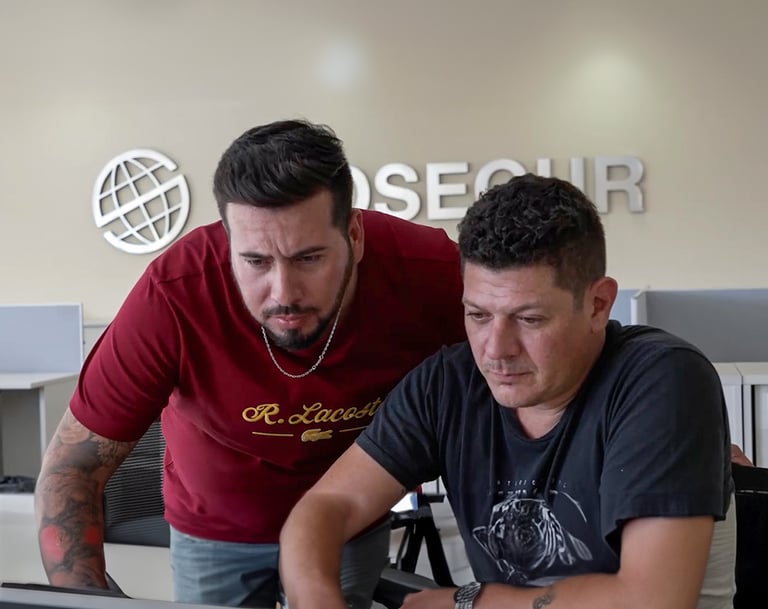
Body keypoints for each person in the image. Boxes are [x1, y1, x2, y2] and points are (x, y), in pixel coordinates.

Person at [34, 119, 467, 608]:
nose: (283, 293)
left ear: (354, 235)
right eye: (256, 261)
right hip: (217, 526)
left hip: (349, 520)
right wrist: (86, 602)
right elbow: (72, 467)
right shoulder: (173, 294)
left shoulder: (430, 274)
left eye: (308, 258)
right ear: (228, 243)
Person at [280, 174, 736, 609]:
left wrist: (470, 601)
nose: (495, 350)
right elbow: (328, 504)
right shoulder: (448, 383)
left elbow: (652, 601)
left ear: (598, 305)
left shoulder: (661, 378)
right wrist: (314, 596)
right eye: (478, 315)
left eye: (530, 319)